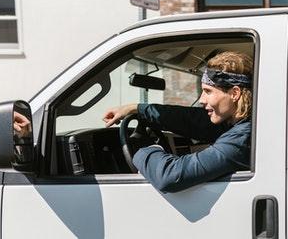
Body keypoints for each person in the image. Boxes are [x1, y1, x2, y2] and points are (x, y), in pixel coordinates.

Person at [102, 51, 253, 193]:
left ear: (234, 93)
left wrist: (143, 150)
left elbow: (171, 176)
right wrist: (136, 108)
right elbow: (191, 119)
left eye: (208, 91)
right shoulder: (237, 123)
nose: (201, 100)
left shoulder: (242, 138)